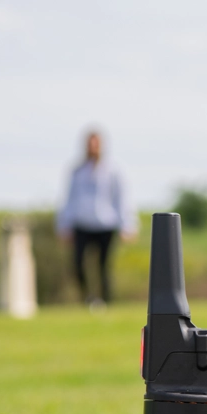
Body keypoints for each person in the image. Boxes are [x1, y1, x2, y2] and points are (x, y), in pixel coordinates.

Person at [56, 130, 137, 308]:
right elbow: (69, 199)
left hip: (105, 224)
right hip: (82, 224)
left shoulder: (113, 170)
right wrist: (64, 225)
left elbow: (121, 199)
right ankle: (88, 299)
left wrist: (128, 225)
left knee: (103, 267)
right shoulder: (77, 171)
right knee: (77, 265)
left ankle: (107, 302)